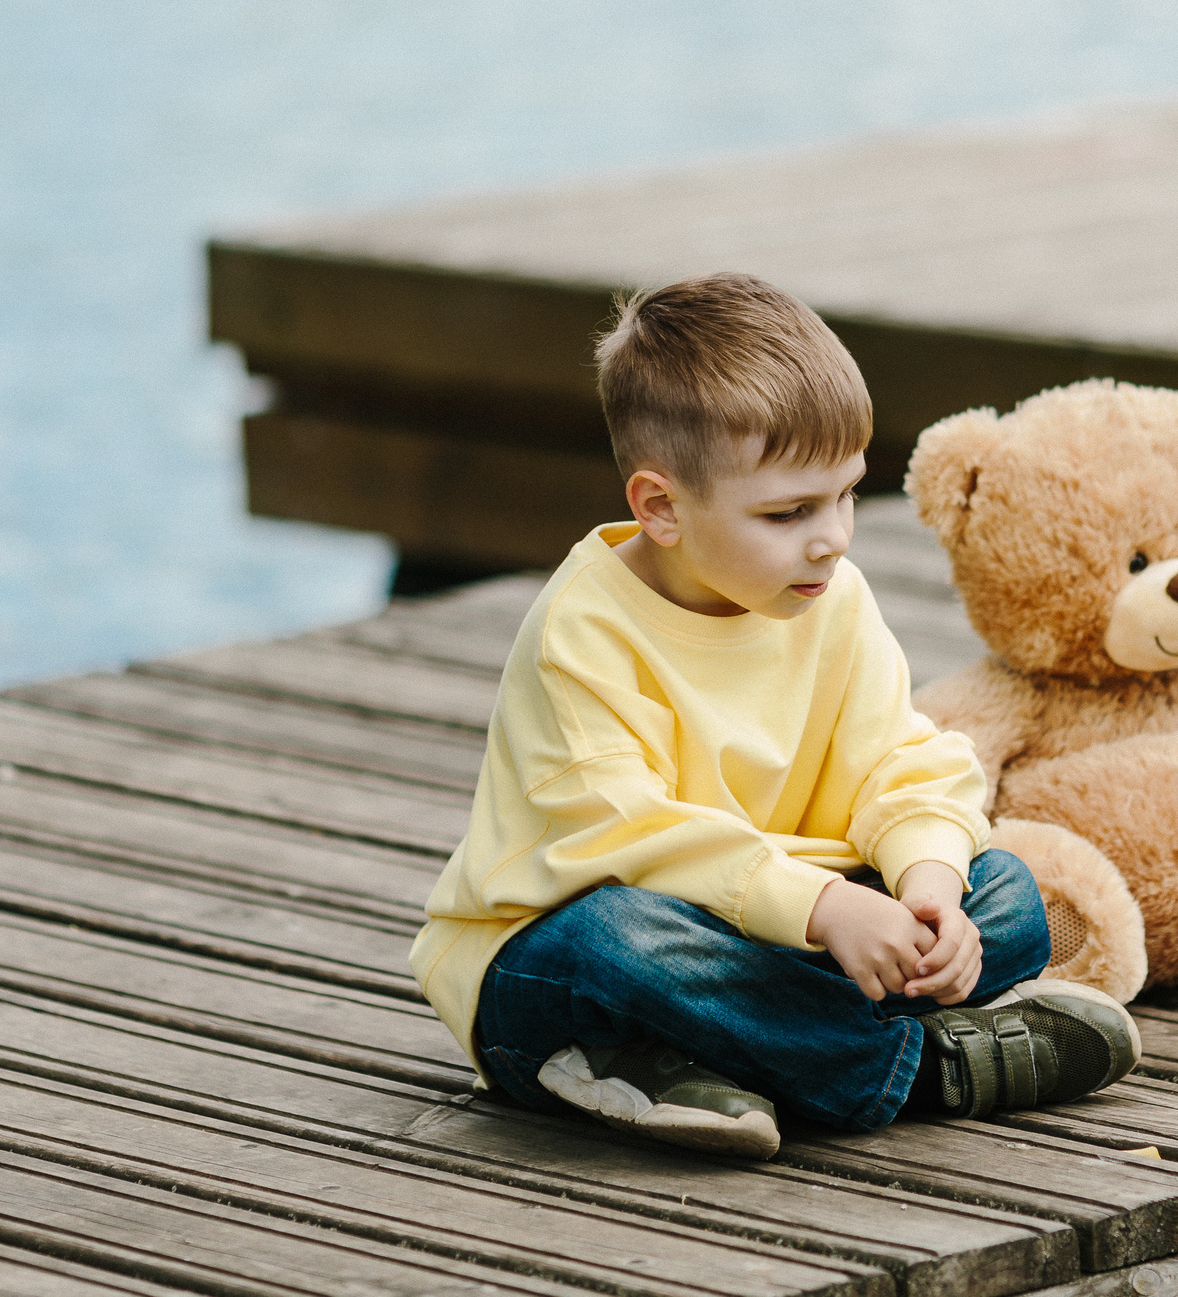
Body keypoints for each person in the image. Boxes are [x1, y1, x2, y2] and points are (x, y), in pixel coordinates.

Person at [410, 272, 1139, 1159]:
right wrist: (825, 905)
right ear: (661, 507)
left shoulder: (828, 594)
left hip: (776, 923)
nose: (831, 535)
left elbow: (896, 760)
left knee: (1008, 896)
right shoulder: (585, 631)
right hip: (557, 956)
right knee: (623, 944)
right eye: (789, 511)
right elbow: (627, 836)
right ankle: (923, 1071)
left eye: (845, 495)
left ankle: (697, 1060)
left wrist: (928, 888)